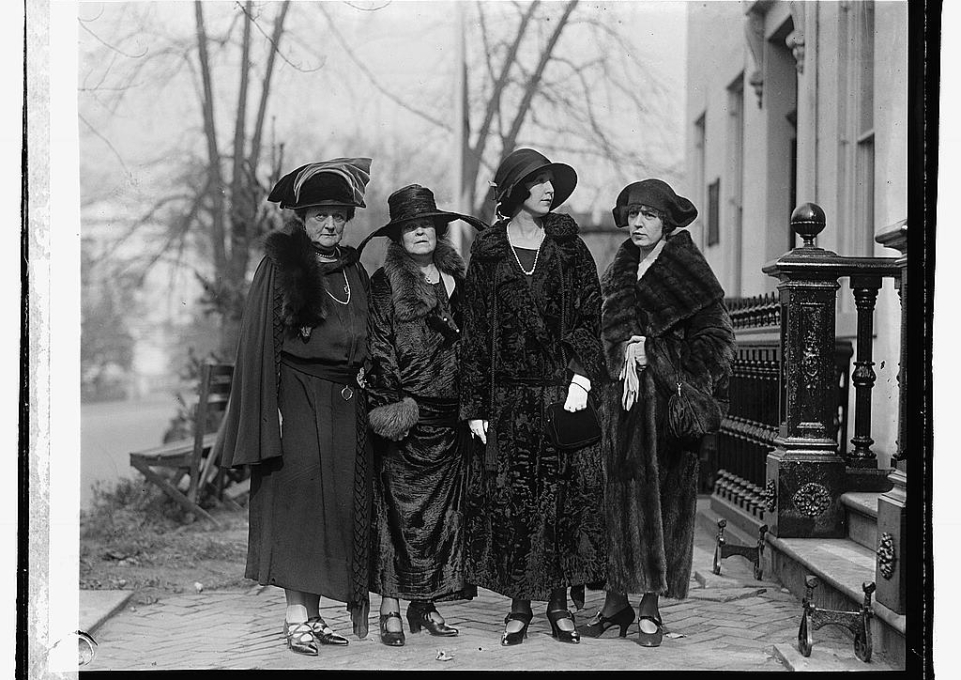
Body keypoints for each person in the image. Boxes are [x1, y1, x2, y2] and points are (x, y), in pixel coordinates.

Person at [214, 158, 374, 655]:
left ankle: (317, 614)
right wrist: (270, 412)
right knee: (299, 506)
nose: (331, 224)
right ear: (302, 219)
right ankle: (295, 616)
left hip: (346, 403)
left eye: (338, 215)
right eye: (320, 215)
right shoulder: (280, 267)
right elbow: (260, 344)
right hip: (297, 399)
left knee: (335, 509)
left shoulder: (352, 267)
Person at [459, 148, 607, 646]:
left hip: (561, 395)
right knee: (513, 502)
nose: (549, 190)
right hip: (508, 401)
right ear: (515, 190)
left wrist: (583, 378)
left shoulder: (570, 247)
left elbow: (591, 315)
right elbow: (475, 332)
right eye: (538, 181)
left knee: (564, 499)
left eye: (551, 182)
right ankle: (520, 605)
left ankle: (560, 604)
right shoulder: (488, 251)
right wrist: (476, 404)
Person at [582, 178, 735, 647]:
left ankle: (649, 606)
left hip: (665, 414)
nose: (637, 222)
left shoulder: (690, 271)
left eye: (647, 215)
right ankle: (615, 604)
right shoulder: (618, 269)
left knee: (661, 507)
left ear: (667, 222)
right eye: (632, 214)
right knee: (614, 507)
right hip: (618, 411)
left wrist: (660, 359)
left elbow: (718, 343)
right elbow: (597, 331)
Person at [359, 184, 487, 647]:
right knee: (398, 515)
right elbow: (378, 349)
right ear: (398, 235)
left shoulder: (458, 279)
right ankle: (390, 607)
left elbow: (474, 346)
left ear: (438, 230)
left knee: (440, 518)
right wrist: (395, 404)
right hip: (408, 415)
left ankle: (424, 603)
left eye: (426, 225)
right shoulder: (384, 284)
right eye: (410, 226)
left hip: (452, 417)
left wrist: (474, 403)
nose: (420, 232)